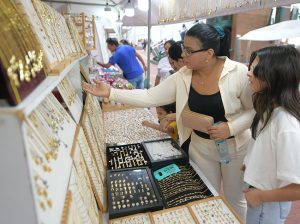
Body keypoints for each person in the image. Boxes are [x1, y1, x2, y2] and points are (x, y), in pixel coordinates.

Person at [82, 23, 254, 220]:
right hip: (199, 146)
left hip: (234, 147)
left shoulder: (238, 72)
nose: (183, 57)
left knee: (235, 198)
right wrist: (111, 92)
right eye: (183, 49)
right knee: (206, 196)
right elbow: (149, 96)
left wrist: (231, 127)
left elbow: (254, 110)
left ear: (209, 53)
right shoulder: (183, 75)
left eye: (189, 51)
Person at [243, 45, 300, 224]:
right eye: (250, 68)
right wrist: (250, 164)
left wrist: (260, 196)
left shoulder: (286, 123)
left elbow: (297, 188)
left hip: (267, 203)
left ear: (274, 76)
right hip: (261, 195)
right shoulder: (269, 108)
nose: (248, 74)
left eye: (254, 70)